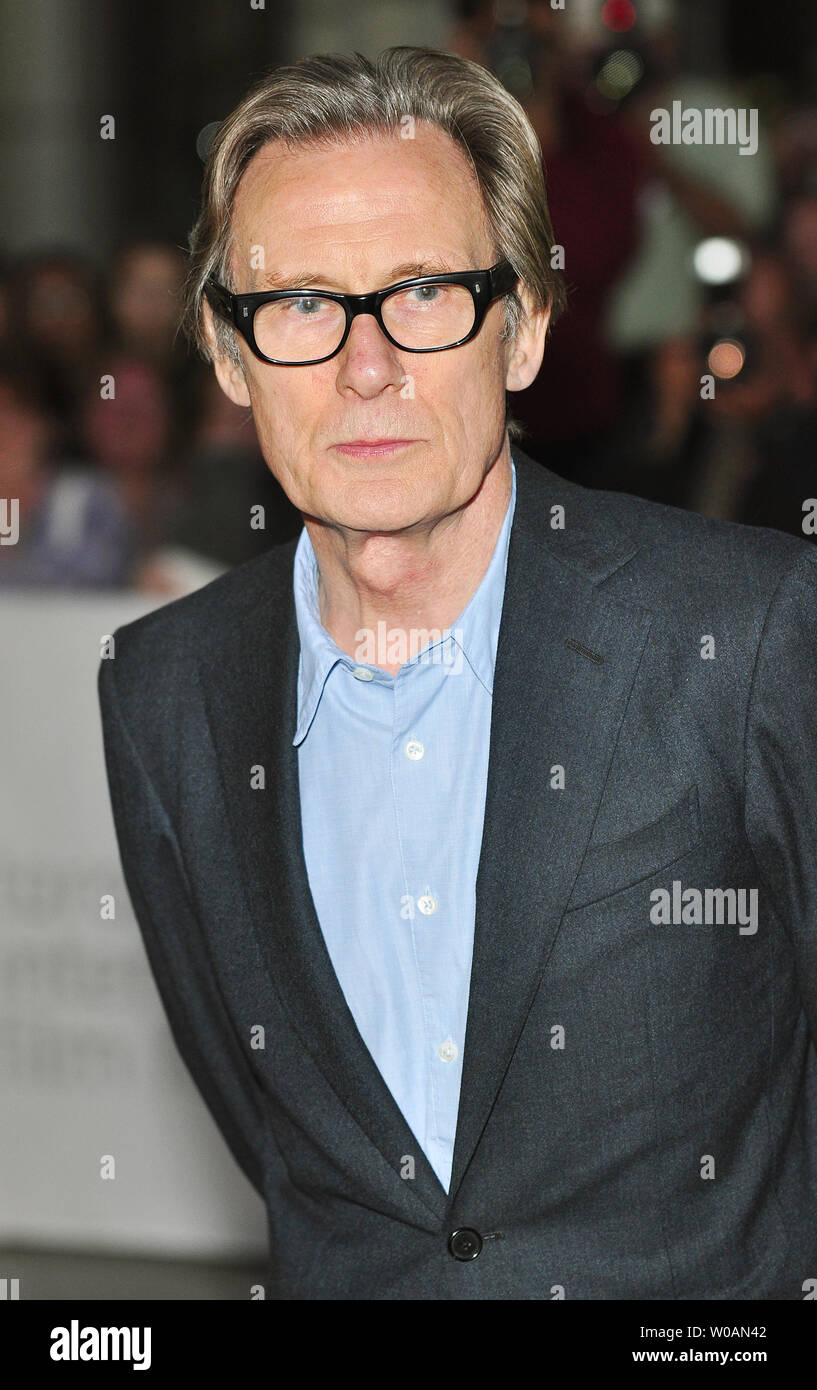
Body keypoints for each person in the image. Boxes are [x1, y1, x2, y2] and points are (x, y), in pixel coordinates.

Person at [98, 47, 817, 1301]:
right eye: (303, 305)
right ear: (228, 356)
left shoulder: (747, 630)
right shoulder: (166, 691)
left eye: (423, 291)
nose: (364, 366)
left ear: (524, 326)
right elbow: (271, 1123)